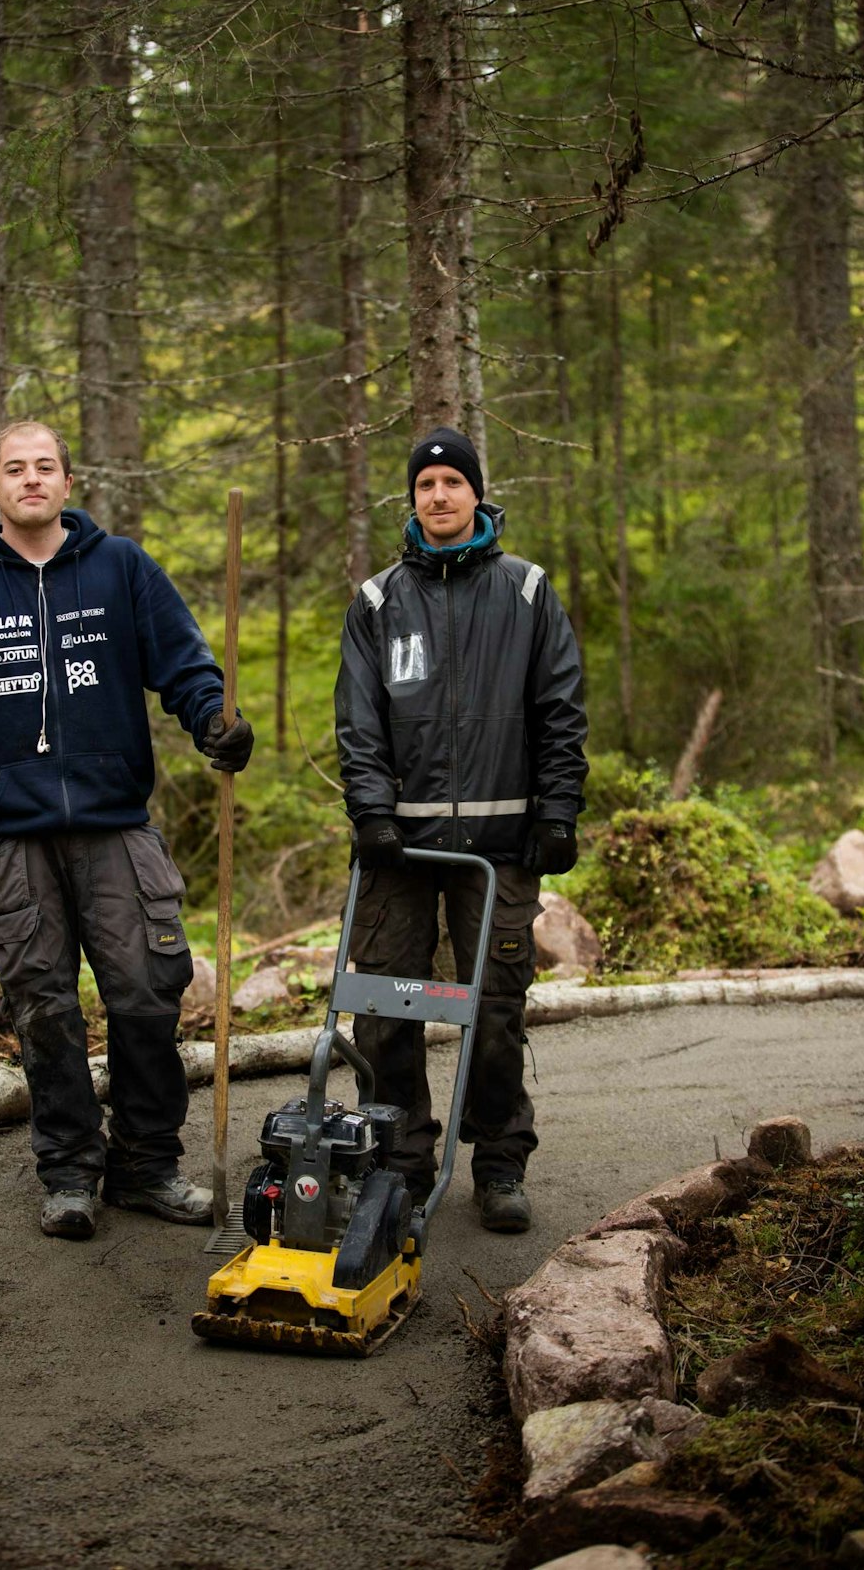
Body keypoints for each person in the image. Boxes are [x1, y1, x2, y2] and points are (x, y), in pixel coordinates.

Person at [0, 420, 253, 1241]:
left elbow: (187, 666)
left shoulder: (121, 567)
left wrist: (214, 720)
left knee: (144, 992)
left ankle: (146, 1164)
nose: (32, 480)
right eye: (15, 469)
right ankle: (68, 1172)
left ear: (69, 481)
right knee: (44, 1006)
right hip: (9, 836)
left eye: (46, 467)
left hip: (113, 826)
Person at [334, 425, 587, 1233]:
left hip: (501, 844)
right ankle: (399, 1158)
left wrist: (557, 811)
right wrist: (371, 811)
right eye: (424, 486)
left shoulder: (525, 591)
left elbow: (559, 709)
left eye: (452, 482)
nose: (438, 496)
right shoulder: (378, 602)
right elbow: (359, 720)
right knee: (384, 1006)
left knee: (496, 1008)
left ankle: (500, 1161)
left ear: (477, 493)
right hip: (398, 848)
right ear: (411, 501)